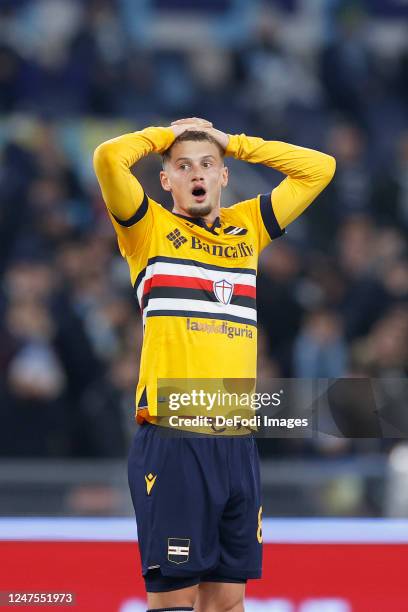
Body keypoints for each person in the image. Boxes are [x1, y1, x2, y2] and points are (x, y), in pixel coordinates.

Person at [93, 117, 335, 612]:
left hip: (236, 441)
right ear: (166, 181)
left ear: (224, 176)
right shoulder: (147, 229)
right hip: (175, 437)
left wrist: (235, 143)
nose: (196, 174)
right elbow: (107, 158)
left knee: (227, 601)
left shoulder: (247, 229)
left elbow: (319, 169)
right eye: (182, 167)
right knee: (175, 600)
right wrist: (166, 133)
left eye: (207, 165)